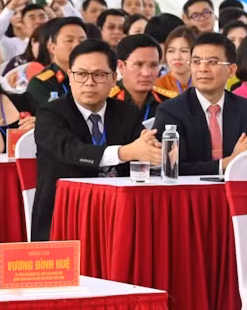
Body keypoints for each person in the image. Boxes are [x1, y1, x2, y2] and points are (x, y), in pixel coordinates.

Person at [31, 42, 162, 240]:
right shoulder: (50, 113)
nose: (89, 82)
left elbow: (143, 151)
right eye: (81, 74)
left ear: (114, 79)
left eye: (99, 75)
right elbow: (71, 151)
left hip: (120, 215)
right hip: (65, 216)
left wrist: (154, 152)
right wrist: (125, 152)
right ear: (70, 77)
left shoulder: (127, 113)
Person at [156, 31, 247, 175]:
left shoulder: (245, 108)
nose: (203, 69)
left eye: (212, 62)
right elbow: (171, 167)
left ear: (231, 70)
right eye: (196, 62)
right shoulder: (171, 111)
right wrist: (226, 164)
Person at [110, 32, 172, 125]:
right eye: (138, 64)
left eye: (153, 65)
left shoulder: (168, 103)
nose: (146, 73)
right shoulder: (106, 102)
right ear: (121, 66)